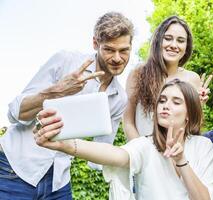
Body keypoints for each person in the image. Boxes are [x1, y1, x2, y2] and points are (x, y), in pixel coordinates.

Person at [0, 12, 133, 199]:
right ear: (95, 44)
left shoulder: (119, 98)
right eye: (109, 49)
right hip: (14, 170)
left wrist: (135, 161)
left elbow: (101, 151)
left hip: (59, 180)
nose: (118, 58)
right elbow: (14, 113)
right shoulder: (66, 61)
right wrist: (57, 91)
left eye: (124, 50)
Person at [34, 79, 213, 200]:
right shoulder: (146, 145)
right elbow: (116, 154)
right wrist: (64, 144)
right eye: (162, 100)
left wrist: (181, 161)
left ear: (189, 113)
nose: (165, 106)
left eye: (176, 102)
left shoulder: (203, 146)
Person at [124, 15, 212, 141]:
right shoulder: (138, 73)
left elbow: (192, 128)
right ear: (158, 41)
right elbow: (128, 121)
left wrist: (197, 108)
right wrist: (141, 152)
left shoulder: (192, 79)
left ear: (187, 47)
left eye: (181, 40)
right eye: (168, 38)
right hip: (142, 153)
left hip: (177, 153)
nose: (173, 45)